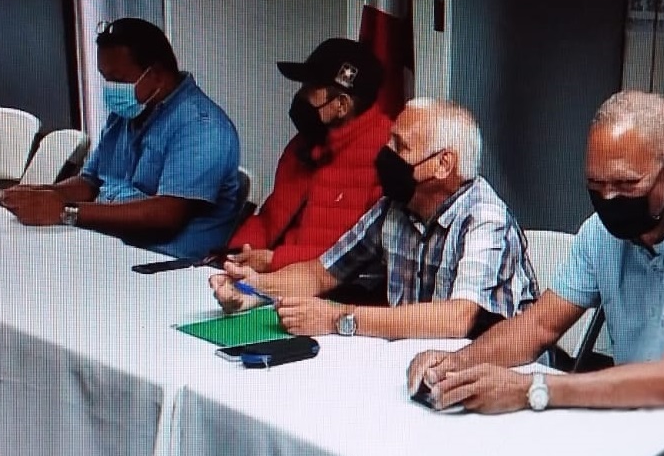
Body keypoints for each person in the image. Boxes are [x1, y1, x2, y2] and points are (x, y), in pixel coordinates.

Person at [406, 91, 664, 449]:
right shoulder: (602, 233)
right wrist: (456, 364)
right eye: (596, 186)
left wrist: (533, 388)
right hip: (646, 427)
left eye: (626, 184)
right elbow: (539, 328)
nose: (609, 200)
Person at [211, 98, 538, 340]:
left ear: (443, 164)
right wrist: (254, 289)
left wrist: (339, 318)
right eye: (389, 140)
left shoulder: (485, 219)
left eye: (400, 146)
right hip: (413, 356)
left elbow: (456, 320)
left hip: (495, 368)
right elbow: (321, 273)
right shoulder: (394, 207)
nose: (385, 154)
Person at [2, 18, 241, 260]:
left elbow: (165, 217)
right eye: (106, 78)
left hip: (163, 264)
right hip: (111, 246)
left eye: (118, 80)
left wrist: (65, 211)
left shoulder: (201, 126)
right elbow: (90, 182)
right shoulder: (128, 112)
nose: (111, 89)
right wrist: (41, 195)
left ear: (156, 74)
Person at [227, 38, 392, 273]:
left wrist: (274, 261)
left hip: (325, 291)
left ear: (342, 105)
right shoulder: (303, 143)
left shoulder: (385, 157)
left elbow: (352, 254)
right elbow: (269, 219)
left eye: (310, 89)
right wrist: (236, 254)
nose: (301, 96)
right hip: (266, 276)